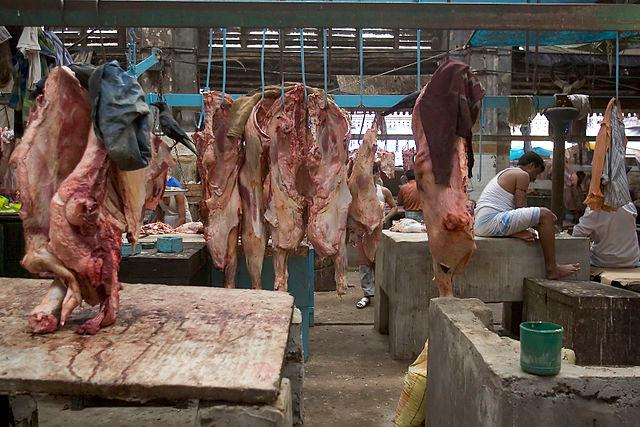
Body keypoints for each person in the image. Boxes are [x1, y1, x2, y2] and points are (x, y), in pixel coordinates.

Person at [474, 151, 580, 280]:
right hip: (491, 221)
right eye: (535, 174)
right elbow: (520, 207)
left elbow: (517, 213)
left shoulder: (509, 172)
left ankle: (514, 232)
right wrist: (542, 225)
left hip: (483, 224)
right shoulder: (522, 174)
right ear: (531, 166)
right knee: (545, 215)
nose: (534, 179)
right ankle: (552, 269)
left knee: (540, 220)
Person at [356, 164, 398, 309]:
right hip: (363, 232)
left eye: (372, 173)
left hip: (379, 231)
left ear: (377, 174)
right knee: (364, 264)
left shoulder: (383, 191)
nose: (370, 177)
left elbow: (394, 207)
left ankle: (381, 294)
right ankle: (367, 295)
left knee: (379, 262)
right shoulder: (359, 192)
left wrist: (385, 219)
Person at [572, 201, 640, 268]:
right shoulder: (629, 205)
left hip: (604, 261)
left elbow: (578, 233)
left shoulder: (595, 207)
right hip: (631, 260)